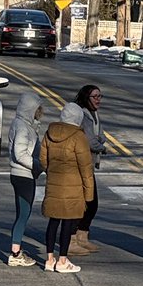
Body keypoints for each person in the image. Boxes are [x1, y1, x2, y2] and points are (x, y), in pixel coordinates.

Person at [39, 101, 94, 274]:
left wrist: (51, 171)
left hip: (54, 185)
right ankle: (62, 260)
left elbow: (43, 159)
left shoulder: (49, 133)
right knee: (67, 223)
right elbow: (86, 167)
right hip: (73, 187)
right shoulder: (79, 137)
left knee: (53, 222)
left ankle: (49, 259)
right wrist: (89, 194)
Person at [6, 94, 43, 266]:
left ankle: (16, 249)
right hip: (23, 175)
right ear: (30, 109)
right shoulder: (22, 127)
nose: (40, 112)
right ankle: (15, 254)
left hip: (23, 175)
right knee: (23, 214)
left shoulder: (23, 124)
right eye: (38, 109)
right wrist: (37, 165)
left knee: (23, 213)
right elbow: (20, 154)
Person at [71, 83, 107, 255]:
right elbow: (90, 141)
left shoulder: (95, 115)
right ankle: (71, 239)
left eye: (100, 96)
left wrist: (99, 142)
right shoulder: (83, 115)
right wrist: (100, 145)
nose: (98, 100)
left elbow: (102, 136)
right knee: (85, 204)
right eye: (95, 96)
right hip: (80, 165)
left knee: (91, 204)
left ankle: (82, 237)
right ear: (86, 97)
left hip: (89, 165)